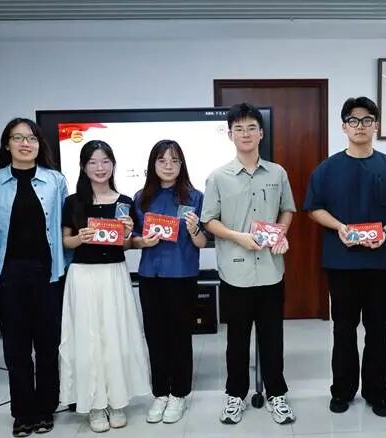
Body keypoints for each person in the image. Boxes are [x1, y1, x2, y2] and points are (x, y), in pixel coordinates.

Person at [304, 96, 386, 417]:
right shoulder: (327, 169)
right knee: (343, 329)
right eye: (353, 121)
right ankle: (342, 390)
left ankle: (377, 392)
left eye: (367, 120)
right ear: (344, 127)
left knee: (378, 329)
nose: (360, 126)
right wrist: (339, 227)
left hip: (379, 263)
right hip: (341, 262)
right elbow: (314, 208)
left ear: (376, 126)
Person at [201, 103, 297, 425]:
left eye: (251, 128)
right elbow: (209, 220)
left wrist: (281, 233)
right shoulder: (218, 177)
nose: (245, 133)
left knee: (273, 338)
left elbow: (287, 210)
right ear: (230, 135)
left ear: (261, 133)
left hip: (271, 270)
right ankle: (235, 395)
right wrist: (238, 237)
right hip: (236, 270)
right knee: (237, 340)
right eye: (239, 128)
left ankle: (276, 394)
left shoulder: (277, 173)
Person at [0, 118, 68, 437]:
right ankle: (22, 412)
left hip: (49, 276)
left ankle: (45, 408)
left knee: (48, 347)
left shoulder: (55, 181)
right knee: (16, 350)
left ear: (40, 145)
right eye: (18, 138)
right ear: (7, 144)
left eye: (31, 138)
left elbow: (65, 228)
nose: (25, 144)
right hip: (10, 277)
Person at [58, 140, 151, 432]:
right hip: (83, 276)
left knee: (115, 336)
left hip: (114, 275)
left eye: (105, 161)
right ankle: (95, 405)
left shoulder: (124, 201)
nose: (100, 168)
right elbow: (65, 241)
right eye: (93, 162)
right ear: (84, 167)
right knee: (88, 340)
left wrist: (129, 235)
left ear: (113, 164)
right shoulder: (73, 202)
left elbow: (126, 244)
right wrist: (80, 238)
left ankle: (116, 400)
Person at [132, 140, 207, 424]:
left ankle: (179, 394)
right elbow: (132, 239)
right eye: (162, 160)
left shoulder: (195, 197)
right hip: (150, 275)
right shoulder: (141, 198)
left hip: (182, 275)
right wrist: (142, 241)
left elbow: (201, 242)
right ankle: (160, 393)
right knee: (154, 335)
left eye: (174, 161)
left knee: (180, 336)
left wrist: (194, 229)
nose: (168, 166)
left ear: (181, 165)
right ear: (153, 164)